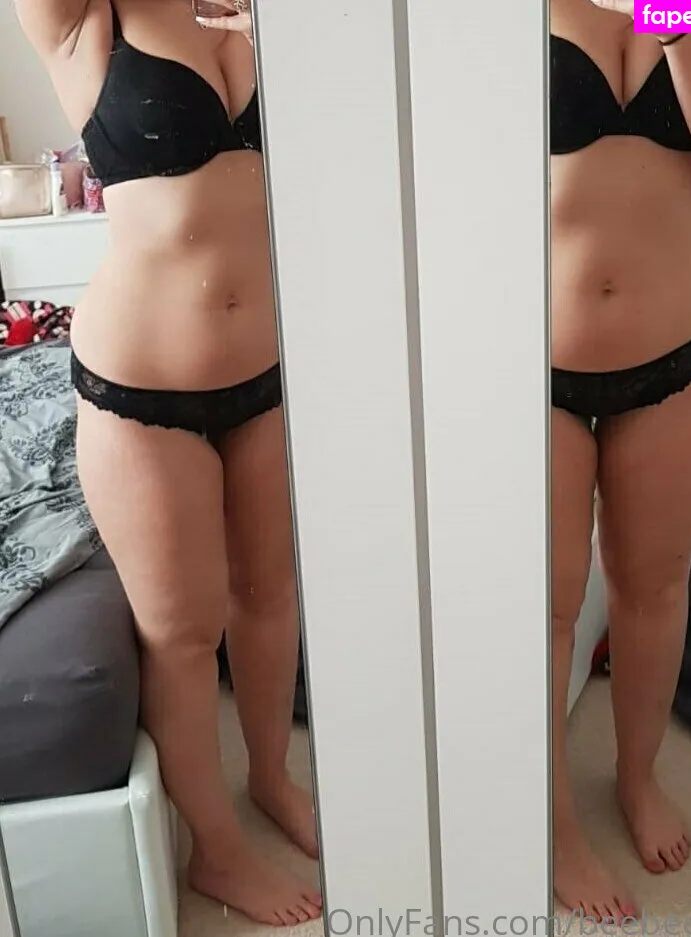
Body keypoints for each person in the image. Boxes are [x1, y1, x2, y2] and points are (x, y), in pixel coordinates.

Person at [15, 0, 322, 926]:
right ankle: (216, 852)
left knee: (270, 598)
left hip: (268, 370)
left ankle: (270, 776)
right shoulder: (86, 23)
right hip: (140, 385)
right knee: (182, 632)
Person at [550, 0, 691, 920]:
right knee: (543, 610)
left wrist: (676, 21)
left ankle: (635, 776)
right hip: (529, 366)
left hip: (679, 356)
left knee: (653, 587)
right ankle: (553, 821)